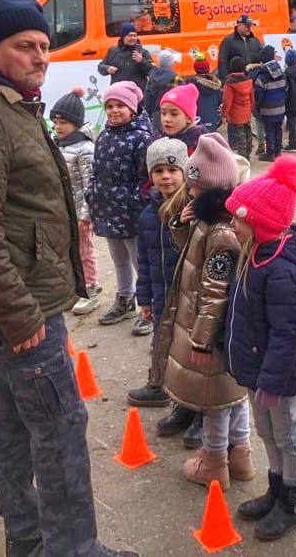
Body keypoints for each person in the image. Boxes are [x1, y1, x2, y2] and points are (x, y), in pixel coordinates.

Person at [0, 0, 136, 557]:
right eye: (25, 46)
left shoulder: (5, 99)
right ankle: (73, 548)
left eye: (44, 45)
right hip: (23, 310)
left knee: (17, 424)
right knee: (60, 426)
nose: (40, 57)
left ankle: (29, 539)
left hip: (25, 301)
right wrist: (18, 315)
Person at [156, 133, 255, 488]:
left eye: (195, 189)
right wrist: (183, 225)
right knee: (231, 395)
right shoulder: (208, 220)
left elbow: (215, 289)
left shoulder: (221, 231)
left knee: (214, 398)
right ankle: (240, 455)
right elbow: (191, 256)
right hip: (210, 328)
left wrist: (200, 339)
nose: (190, 194)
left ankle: (214, 460)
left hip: (209, 331)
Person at [225, 156, 296, 540]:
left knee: (286, 433)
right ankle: (276, 487)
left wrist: (273, 380)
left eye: (237, 219)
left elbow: (288, 333)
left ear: (259, 224)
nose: (231, 225)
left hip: (275, 376)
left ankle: (294, 498)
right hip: (256, 370)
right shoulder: (252, 255)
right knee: (265, 431)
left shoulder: (280, 272)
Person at [86, 81, 154, 333]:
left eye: (121, 106)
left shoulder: (142, 138)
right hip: (107, 211)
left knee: (140, 261)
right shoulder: (103, 135)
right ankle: (125, 298)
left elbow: (146, 179)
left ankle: (149, 308)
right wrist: (92, 193)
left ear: (133, 109)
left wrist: (133, 200)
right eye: (110, 106)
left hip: (131, 213)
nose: (114, 110)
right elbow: (97, 169)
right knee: (118, 260)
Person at [127, 138, 189, 404]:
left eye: (173, 170)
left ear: (185, 172)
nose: (165, 177)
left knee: (185, 348)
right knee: (160, 340)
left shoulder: (190, 211)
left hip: (186, 298)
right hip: (161, 294)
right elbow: (144, 260)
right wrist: (144, 298)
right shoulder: (147, 215)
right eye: (159, 171)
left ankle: (188, 399)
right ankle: (159, 385)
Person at [50, 87, 101, 316]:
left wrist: (85, 214)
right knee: (68, 250)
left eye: (63, 122)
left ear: (76, 123)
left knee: (84, 251)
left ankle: (90, 288)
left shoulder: (85, 149)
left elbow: (90, 184)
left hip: (79, 211)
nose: (58, 126)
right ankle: (75, 287)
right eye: (55, 121)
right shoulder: (56, 145)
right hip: (61, 210)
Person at [253, 46, 287, 161]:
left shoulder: (262, 76)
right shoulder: (281, 72)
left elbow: (258, 95)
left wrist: (257, 104)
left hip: (267, 109)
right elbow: (286, 88)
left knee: (269, 131)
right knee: (278, 130)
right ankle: (278, 152)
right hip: (281, 107)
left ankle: (270, 154)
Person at [98, 22, 154, 89]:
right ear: (123, 37)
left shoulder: (142, 52)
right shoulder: (113, 51)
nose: (133, 38)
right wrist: (107, 69)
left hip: (137, 92)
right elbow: (100, 67)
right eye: (130, 35)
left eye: (135, 36)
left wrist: (142, 61)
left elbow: (152, 72)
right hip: (118, 91)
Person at [156, 83, 207, 153]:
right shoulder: (157, 140)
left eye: (174, 114)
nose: (166, 119)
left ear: (188, 118)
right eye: (163, 113)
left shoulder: (202, 143)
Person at [222, 56, 254, 160]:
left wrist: (224, 114)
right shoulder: (248, 80)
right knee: (248, 132)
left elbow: (227, 100)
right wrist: (251, 108)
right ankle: (248, 153)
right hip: (247, 110)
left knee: (240, 136)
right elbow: (252, 97)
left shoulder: (230, 82)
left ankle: (242, 157)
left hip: (236, 113)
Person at [218, 14, 263, 81]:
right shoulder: (228, 41)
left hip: (254, 82)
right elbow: (223, 63)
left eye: (250, 26)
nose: (249, 28)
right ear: (239, 25)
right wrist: (224, 82)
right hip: (236, 83)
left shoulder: (255, 40)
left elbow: (261, 56)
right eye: (247, 26)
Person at [144, 49, 180, 131]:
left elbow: (148, 96)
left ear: (159, 61)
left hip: (155, 112)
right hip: (172, 112)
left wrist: (148, 113)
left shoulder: (152, 77)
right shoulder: (176, 78)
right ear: (171, 62)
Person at [187, 56, 223, 132]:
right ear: (208, 68)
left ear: (195, 69)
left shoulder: (191, 85)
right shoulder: (215, 85)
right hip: (213, 120)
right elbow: (221, 100)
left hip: (197, 120)